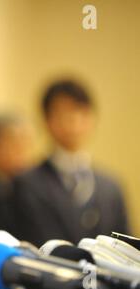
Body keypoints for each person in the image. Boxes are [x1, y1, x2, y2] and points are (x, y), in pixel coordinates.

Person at [14, 80, 130, 247]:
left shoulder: (111, 186)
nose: (74, 120)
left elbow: (126, 247)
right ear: (46, 120)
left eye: (81, 111)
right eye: (63, 113)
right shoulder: (26, 183)